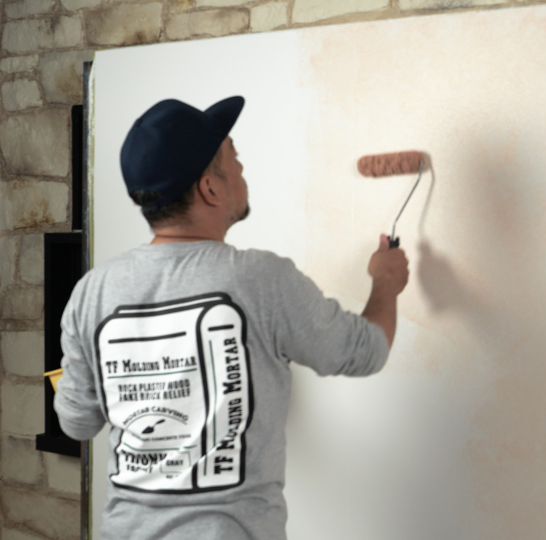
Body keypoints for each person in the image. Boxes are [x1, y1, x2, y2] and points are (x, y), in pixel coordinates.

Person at [53, 96, 409, 539]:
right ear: (210, 188)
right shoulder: (262, 280)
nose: (242, 169)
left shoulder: (91, 293)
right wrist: (386, 283)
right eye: (234, 158)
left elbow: (76, 423)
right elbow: (366, 350)